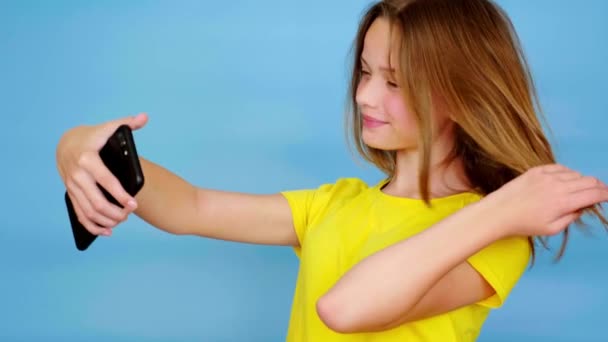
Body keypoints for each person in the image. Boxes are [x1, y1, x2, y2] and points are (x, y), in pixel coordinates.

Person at [55, 0, 608, 341]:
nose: (365, 95)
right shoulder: (336, 204)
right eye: (365, 72)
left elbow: (346, 309)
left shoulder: (494, 239)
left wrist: (502, 208)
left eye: (393, 82)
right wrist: (76, 146)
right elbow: (191, 207)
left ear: (462, 96)